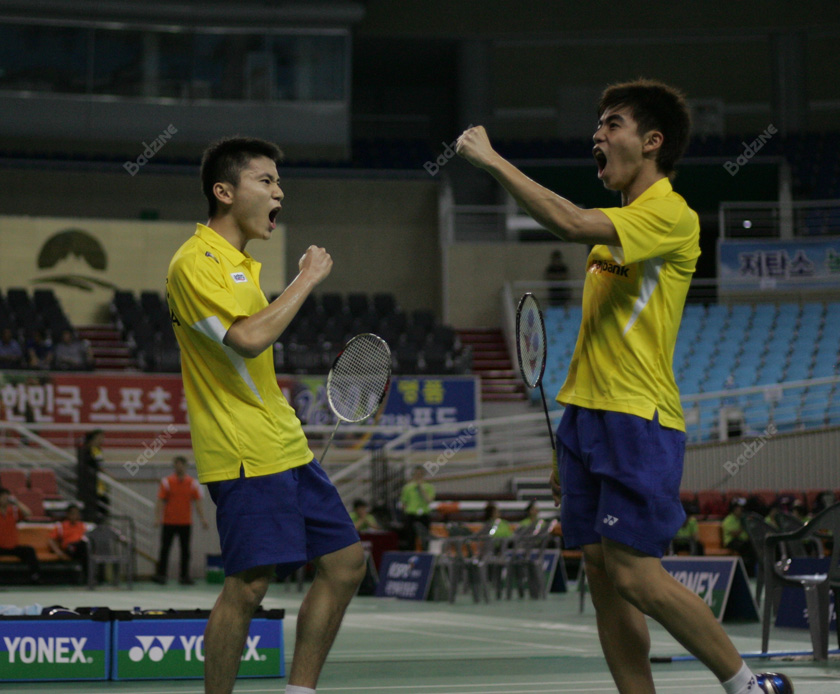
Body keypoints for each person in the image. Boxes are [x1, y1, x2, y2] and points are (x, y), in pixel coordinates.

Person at [456, 79, 792, 693]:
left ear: (652, 141)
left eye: (613, 124)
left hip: (639, 418)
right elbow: (597, 340)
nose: (598, 134)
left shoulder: (671, 213)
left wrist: (492, 160)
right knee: (600, 573)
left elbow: (568, 221)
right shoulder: (616, 234)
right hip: (586, 418)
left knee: (636, 576)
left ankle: (748, 685)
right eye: (598, 124)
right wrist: (566, 444)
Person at [166, 136, 364, 694]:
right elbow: (248, 339)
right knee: (249, 587)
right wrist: (307, 278)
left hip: (285, 444)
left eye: (279, 182)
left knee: (346, 564)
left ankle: (299, 692)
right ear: (224, 192)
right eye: (266, 181)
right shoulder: (194, 262)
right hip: (242, 451)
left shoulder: (241, 266)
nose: (280, 192)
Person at [153, 456, 209, 586]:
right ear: (174, 466)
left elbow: (198, 503)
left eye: (181, 465)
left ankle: (184, 576)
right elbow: (160, 502)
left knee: (185, 551)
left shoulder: (192, 483)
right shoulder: (166, 482)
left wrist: (203, 519)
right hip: (168, 522)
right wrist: (157, 518)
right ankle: (161, 575)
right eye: (177, 465)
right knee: (165, 549)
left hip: (185, 522)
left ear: (185, 466)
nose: (179, 467)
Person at [0, 487, 40, 583]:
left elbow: (28, 513)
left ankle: (34, 577)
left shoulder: (13, 512)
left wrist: (17, 502)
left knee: (29, 550)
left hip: (13, 547)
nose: (5, 498)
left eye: (7, 496)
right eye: (2, 496)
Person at [399, 466, 435, 550]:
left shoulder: (429, 487)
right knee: (410, 538)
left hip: (424, 514)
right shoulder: (407, 487)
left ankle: (425, 553)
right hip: (411, 514)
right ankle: (410, 553)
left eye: (420, 474)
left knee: (425, 538)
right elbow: (404, 502)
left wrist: (421, 489)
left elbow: (429, 500)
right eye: (416, 474)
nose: (418, 476)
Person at [48, 504, 88, 577]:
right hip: (69, 548)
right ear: (68, 514)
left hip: (80, 548)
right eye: (73, 513)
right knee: (83, 548)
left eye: (77, 514)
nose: (75, 516)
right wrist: (59, 553)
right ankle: (86, 575)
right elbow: (51, 540)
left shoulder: (82, 525)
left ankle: (87, 576)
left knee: (84, 546)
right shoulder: (61, 526)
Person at [722, 498, 757, 576]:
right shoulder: (728, 520)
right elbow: (734, 534)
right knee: (745, 548)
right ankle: (744, 571)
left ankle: (750, 572)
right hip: (731, 542)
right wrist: (743, 525)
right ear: (734, 510)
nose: (741, 511)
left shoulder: (742, 519)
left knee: (752, 547)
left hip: (742, 542)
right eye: (739, 509)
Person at [77, 429, 105, 522]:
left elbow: (99, 466)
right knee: (91, 508)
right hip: (89, 486)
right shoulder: (86, 451)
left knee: (102, 508)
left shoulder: (98, 450)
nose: (102, 440)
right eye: (99, 437)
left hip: (99, 485)